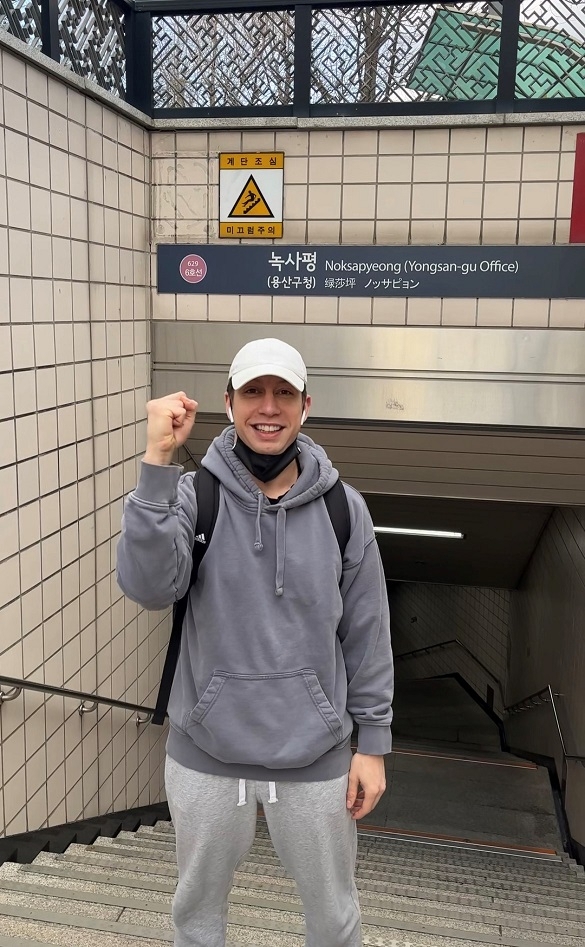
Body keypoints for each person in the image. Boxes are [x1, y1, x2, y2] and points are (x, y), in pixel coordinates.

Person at [116, 337, 394, 947]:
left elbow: (367, 634)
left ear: (304, 406)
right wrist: (159, 461)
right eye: (253, 392)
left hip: (317, 757)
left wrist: (371, 744)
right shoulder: (195, 495)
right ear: (230, 402)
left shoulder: (345, 511)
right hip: (207, 753)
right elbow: (148, 587)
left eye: (283, 393)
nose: (268, 408)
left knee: (333, 918)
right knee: (197, 917)